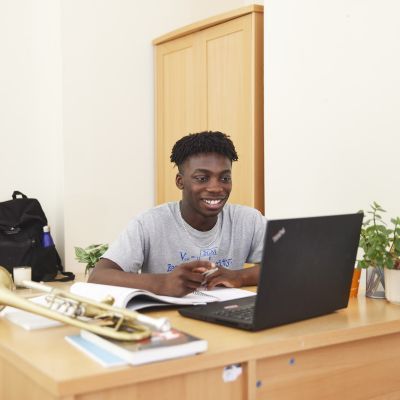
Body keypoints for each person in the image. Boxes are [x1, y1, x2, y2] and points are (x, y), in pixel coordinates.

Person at [89, 131, 266, 297]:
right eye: (202, 178)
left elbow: (287, 265)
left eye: (225, 178)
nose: (216, 188)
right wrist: (162, 283)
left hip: (227, 319)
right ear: (180, 182)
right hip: (168, 321)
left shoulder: (248, 220)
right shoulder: (149, 223)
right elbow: (98, 277)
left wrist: (239, 277)